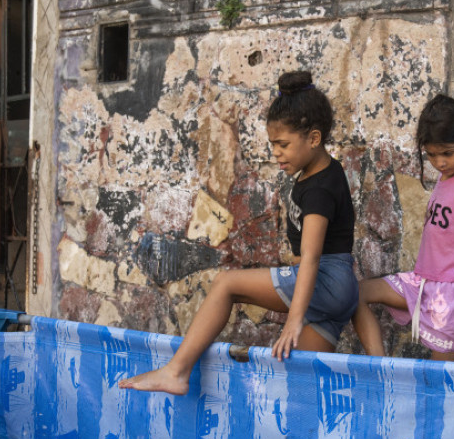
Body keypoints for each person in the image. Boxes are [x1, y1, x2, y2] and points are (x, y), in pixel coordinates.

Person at [120, 70, 358, 395]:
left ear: (314, 138)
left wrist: (293, 320)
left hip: (323, 281)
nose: (276, 153)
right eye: (273, 144)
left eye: (284, 145)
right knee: (301, 388)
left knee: (226, 284)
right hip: (339, 291)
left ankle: (176, 371)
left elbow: (313, 258)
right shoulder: (327, 173)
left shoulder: (318, 191)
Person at [353, 94, 454, 360]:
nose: (440, 162)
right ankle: (382, 368)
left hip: (452, 293)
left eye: (447, 153)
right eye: (431, 155)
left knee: (437, 377)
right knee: (354, 293)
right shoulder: (446, 178)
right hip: (421, 281)